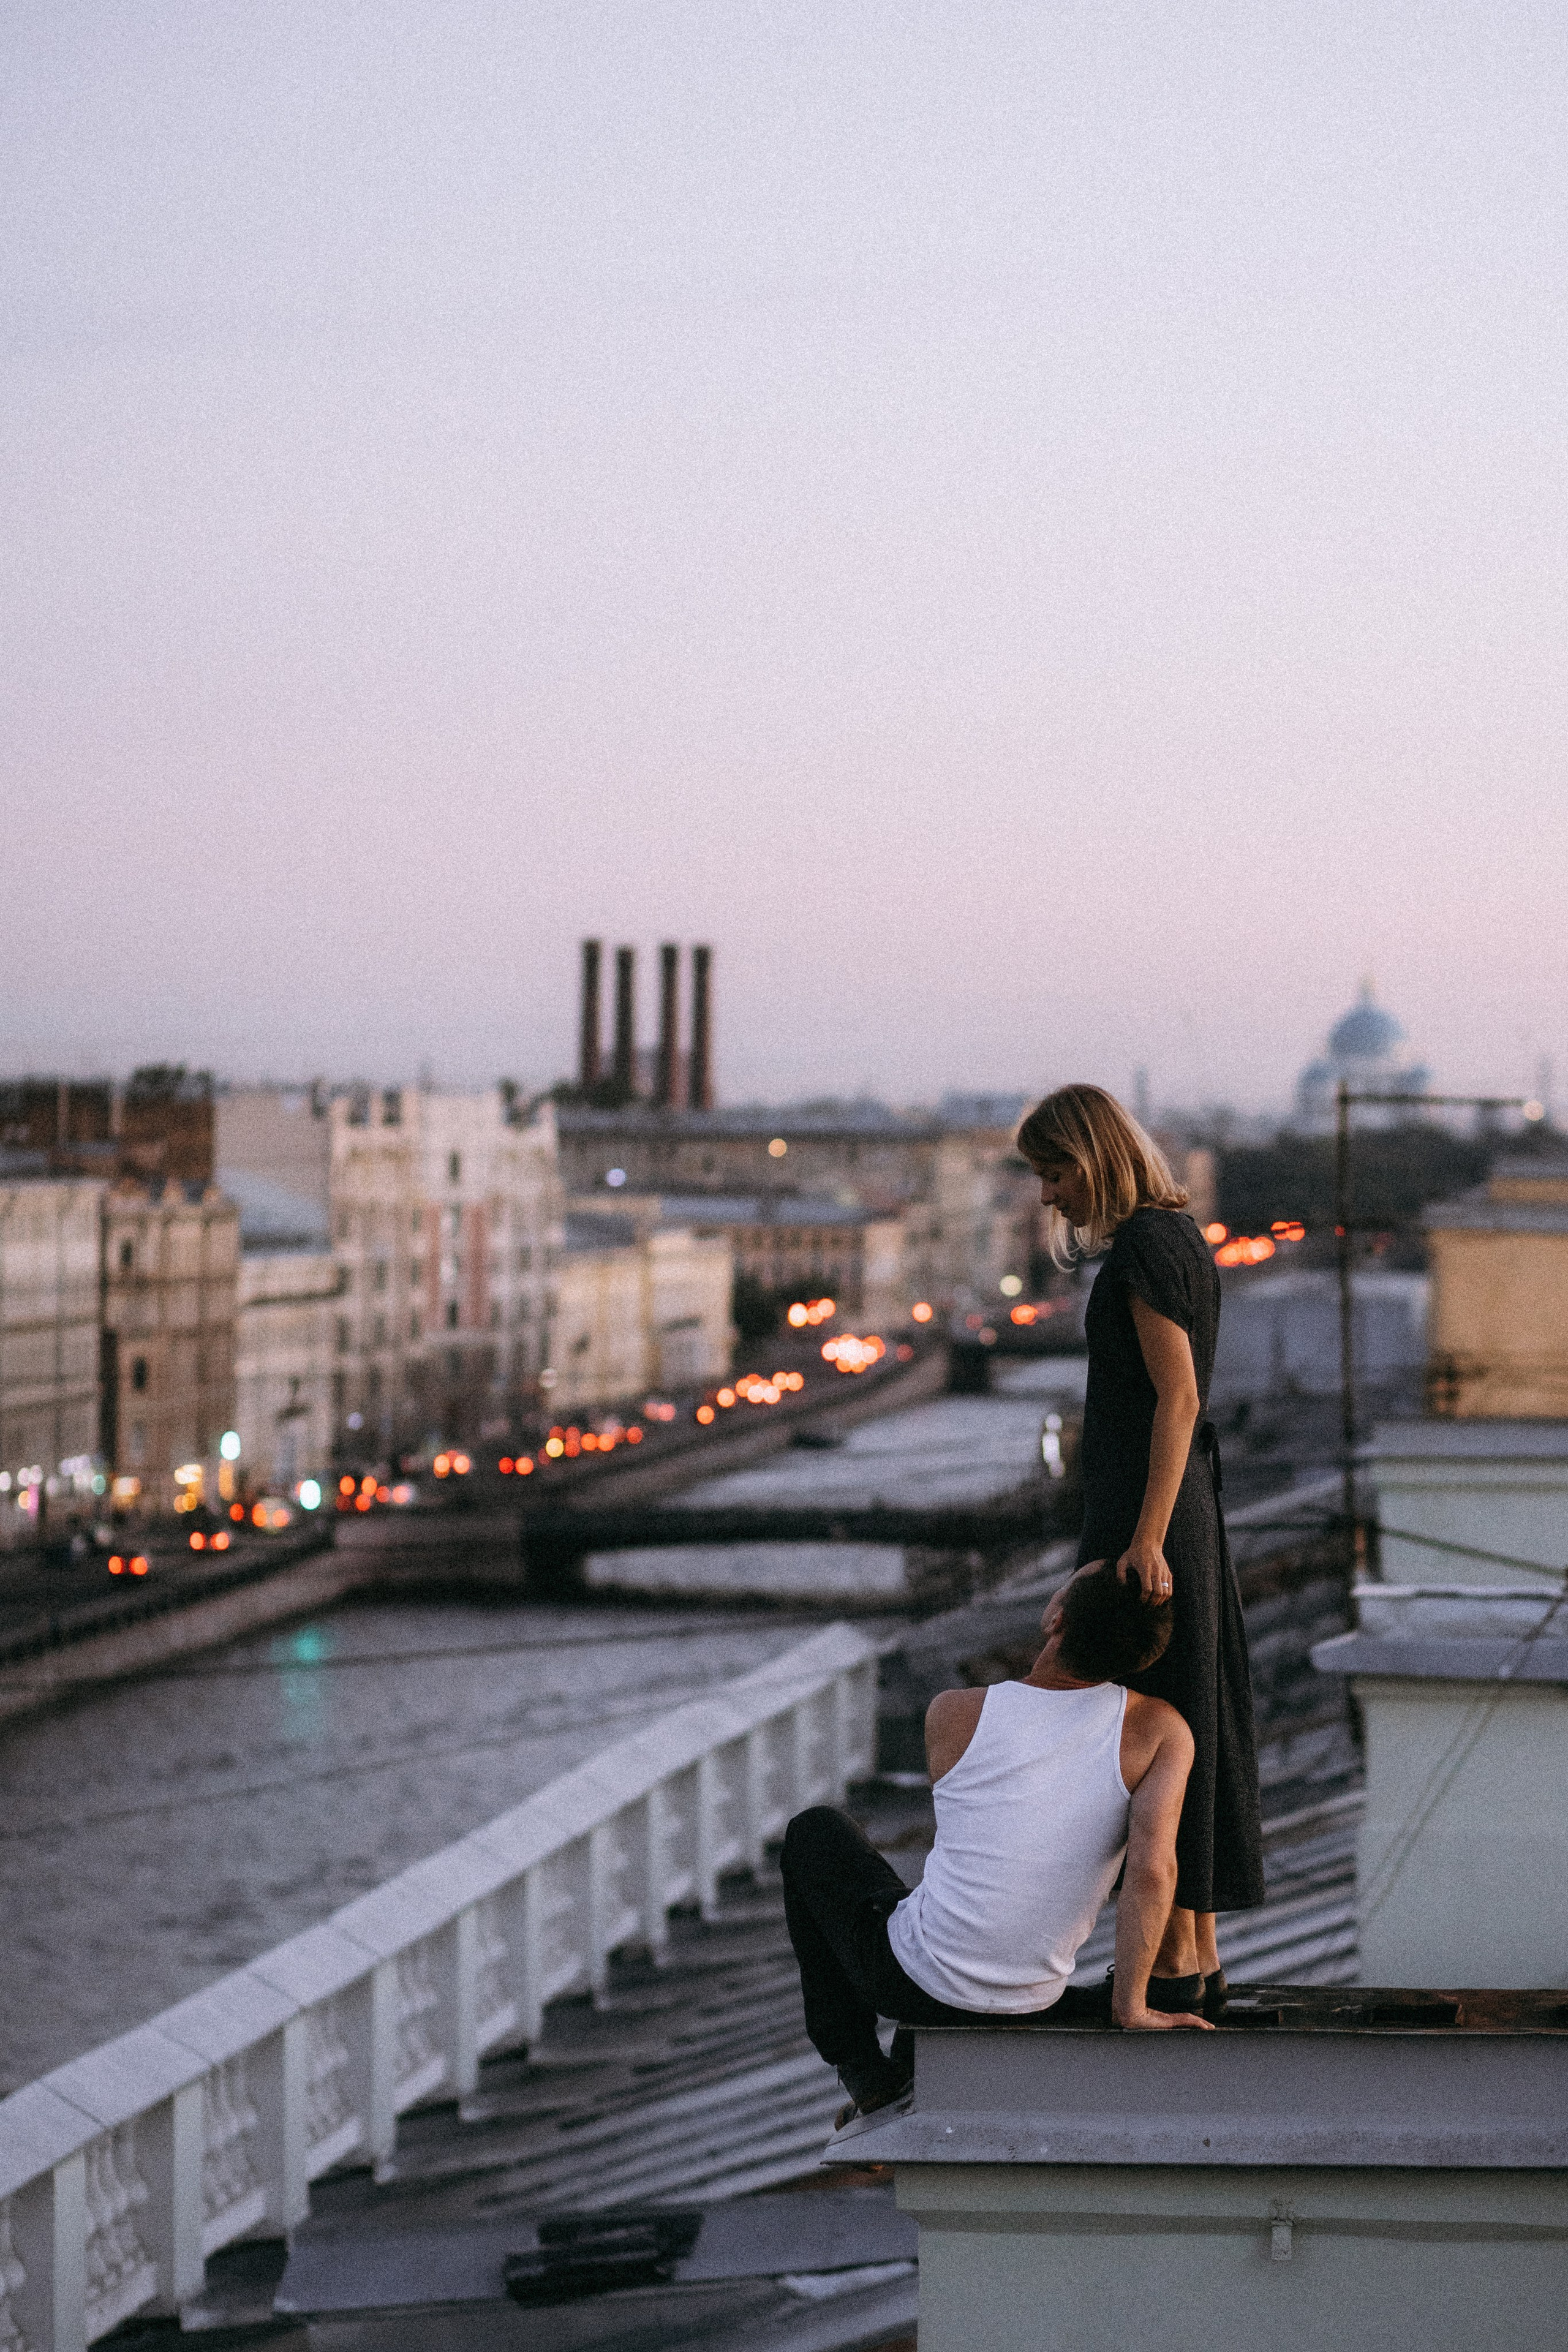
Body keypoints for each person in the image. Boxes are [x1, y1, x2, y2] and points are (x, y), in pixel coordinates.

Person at [781, 1559, 1212, 2124]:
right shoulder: (1163, 1732)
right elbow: (1155, 1871)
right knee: (929, 1910)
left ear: (1055, 1617)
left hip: (910, 1986)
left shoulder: (954, 1714)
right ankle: (910, 2062)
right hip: (1032, 1998)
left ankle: (864, 2070)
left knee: (815, 1833)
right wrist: (1130, 2006)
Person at [1016, 1082, 1265, 2015]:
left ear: (1094, 1156)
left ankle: (1165, 1968)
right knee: (1179, 1724)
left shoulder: (1149, 1249)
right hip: (1160, 1521)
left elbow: (1180, 1399)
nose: (1048, 1197)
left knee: (1148, 1728)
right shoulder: (1168, 1240)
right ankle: (1184, 1960)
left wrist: (1145, 1543)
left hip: (1149, 1527)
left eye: (1053, 1173)